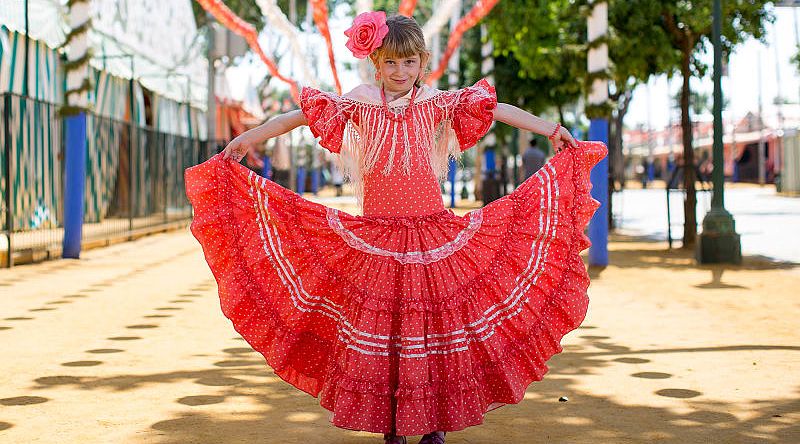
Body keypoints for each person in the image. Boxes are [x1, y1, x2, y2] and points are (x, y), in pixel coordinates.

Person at [184, 11, 606, 444]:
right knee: (386, 336)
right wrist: (246, 138)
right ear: (376, 63)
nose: (399, 72)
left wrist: (551, 128)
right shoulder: (361, 101)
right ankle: (393, 426)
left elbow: (496, 109)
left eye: (408, 63)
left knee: (436, 330)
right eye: (390, 63)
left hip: (432, 236)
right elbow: (296, 117)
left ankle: (434, 425)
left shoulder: (436, 101)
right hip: (377, 237)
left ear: (422, 62)